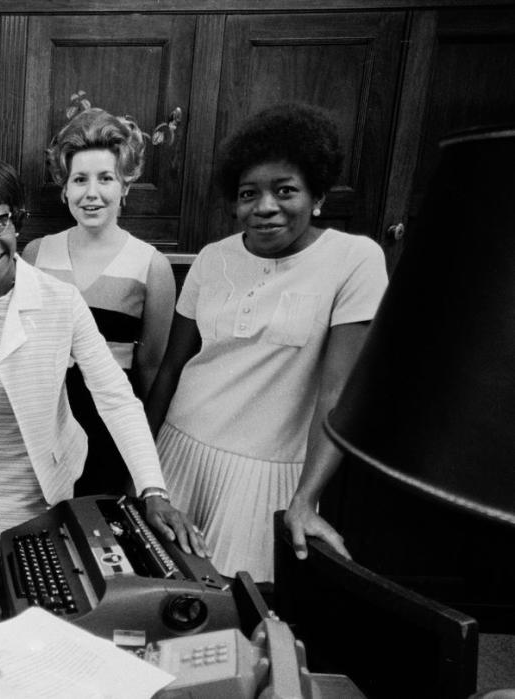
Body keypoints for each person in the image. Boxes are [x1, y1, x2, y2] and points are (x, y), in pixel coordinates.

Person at [0, 157, 204, 618]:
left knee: (33, 610)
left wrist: (154, 489)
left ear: (18, 221)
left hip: (40, 493)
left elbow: (115, 397)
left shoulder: (60, 300)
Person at [144, 103, 389, 582]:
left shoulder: (354, 260)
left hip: (267, 472)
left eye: (285, 191)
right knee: (159, 595)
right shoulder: (213, 258)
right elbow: (172, 368)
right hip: (178, 449)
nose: (265, 207)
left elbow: (338, 395)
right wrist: (143, 471)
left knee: (242, 607)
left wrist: (304, 499)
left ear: (317, 194)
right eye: (249, 194)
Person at [24, 107, 175, 497]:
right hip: (42, 424)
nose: (92, 193)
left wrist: (141, 461)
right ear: (64, 188)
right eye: (80, 180)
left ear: (125, 185)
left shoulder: (151, 266)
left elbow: (151, 369)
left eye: (106, 178)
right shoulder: (37, 254)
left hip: (108, 430)